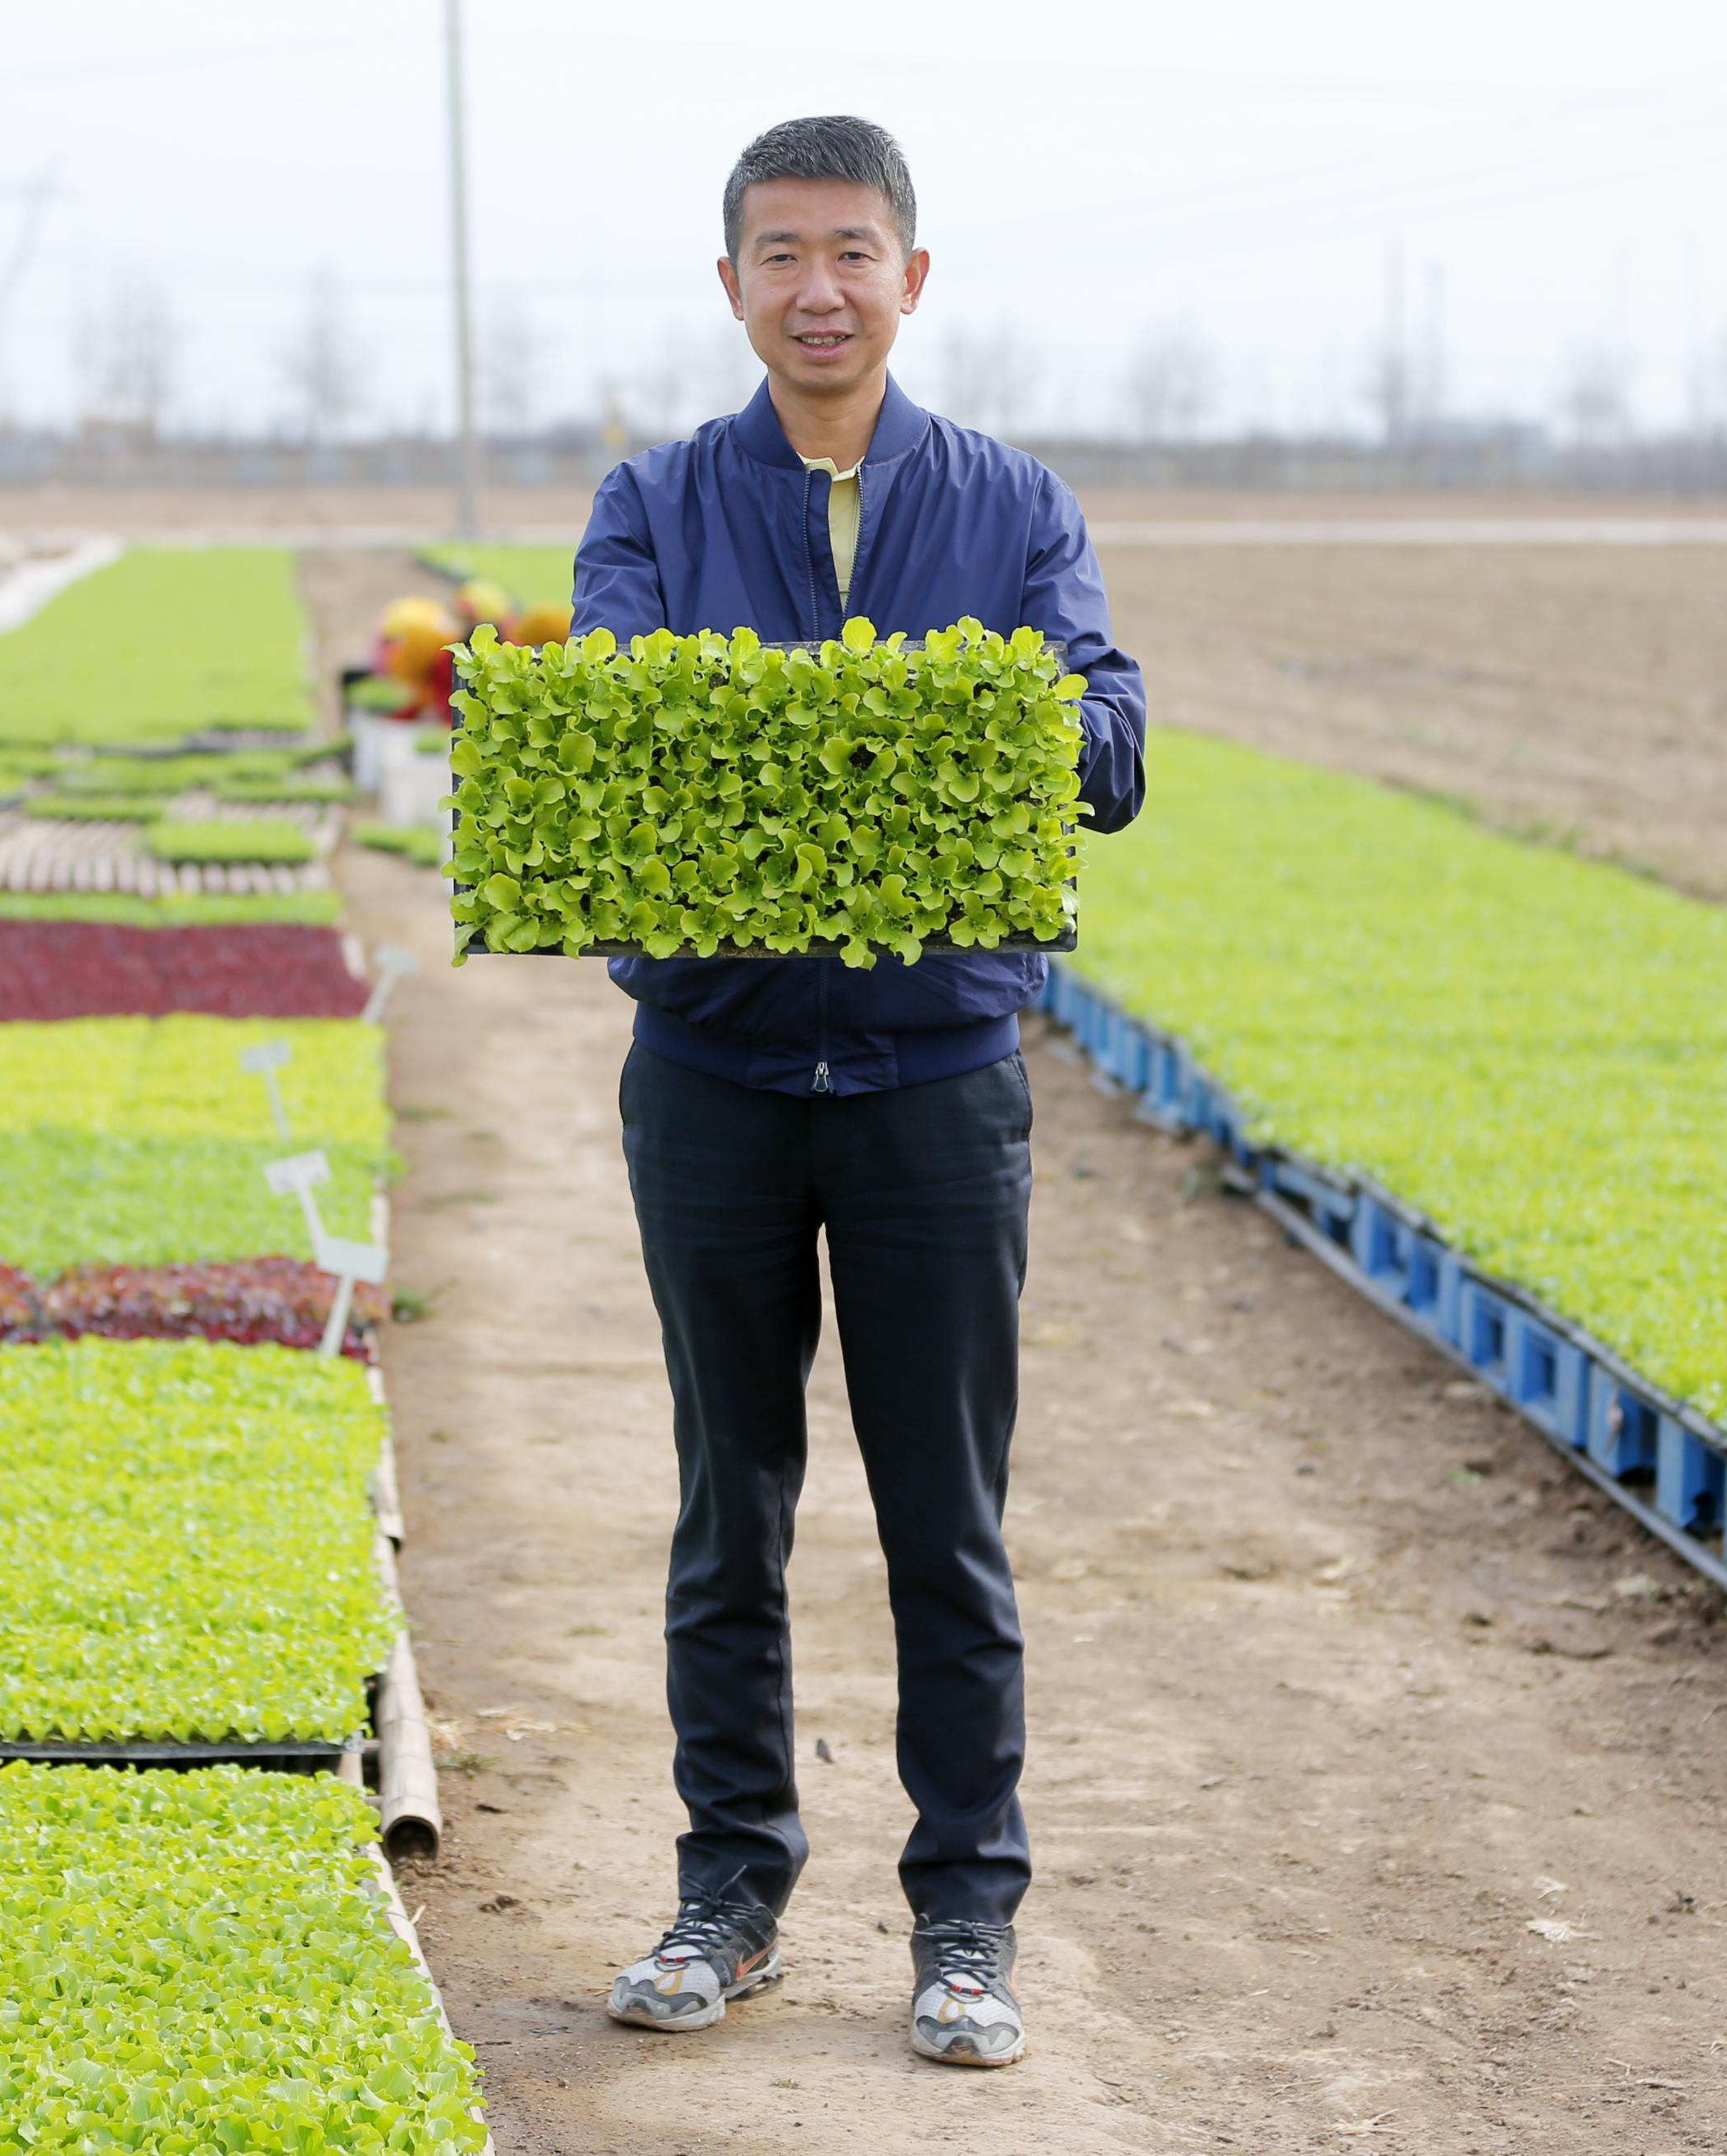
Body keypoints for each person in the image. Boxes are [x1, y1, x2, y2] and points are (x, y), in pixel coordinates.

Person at [573, 113, 1146, 2069]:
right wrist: (869, 730)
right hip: (716, 1069)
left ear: (913, 275)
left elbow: (1112, 729)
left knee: (944, 1520)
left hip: (933, 1079)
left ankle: (964, 1921)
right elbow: (621, 719)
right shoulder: (651, 503)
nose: (817, 288)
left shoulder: (1009, 500)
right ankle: (727, 1887)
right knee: (727, 1501)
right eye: (778, 254)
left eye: (852, 251)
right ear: (727, 282)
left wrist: (1018, 717)